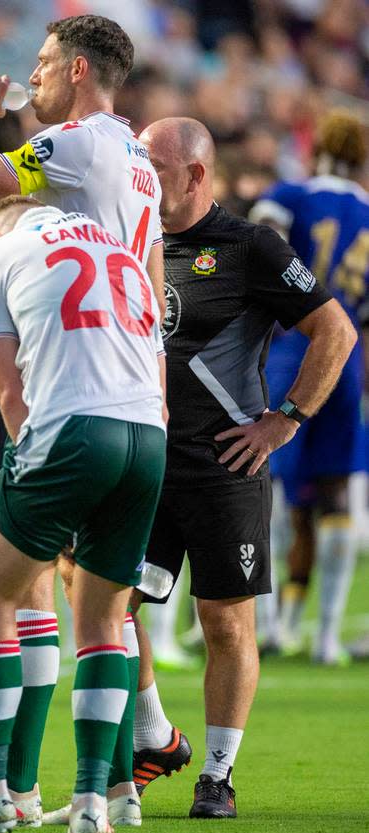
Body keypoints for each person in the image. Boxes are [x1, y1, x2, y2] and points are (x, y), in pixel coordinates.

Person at [0, 14, 164, 821]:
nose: (28, 77)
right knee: (101, 616)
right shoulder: (142, 166)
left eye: (38, 65)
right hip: (136, 393)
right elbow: (151, 285)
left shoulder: (79, 146)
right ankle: (107, 795)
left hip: (66, 386)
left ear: (74, 70)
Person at [134, 117, 355, 818]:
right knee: (108, 606)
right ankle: (153, 736)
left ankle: (218, 775)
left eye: (155, 169)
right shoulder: (130, 239)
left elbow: (336, 329)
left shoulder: (251, 244)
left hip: (224, 465)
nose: (141, 181)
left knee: (225, 621)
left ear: (197, 174)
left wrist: (286, 417)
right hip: (142, 460)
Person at [249, 110, 369, 664]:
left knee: (263, 476)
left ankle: (270, 624)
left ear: (315, 145)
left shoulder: (289, 194)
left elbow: (256, 244)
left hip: (291, 346)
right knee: (337, 492)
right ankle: (325, 639)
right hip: (347, 360)